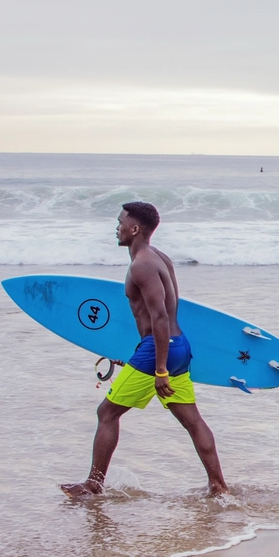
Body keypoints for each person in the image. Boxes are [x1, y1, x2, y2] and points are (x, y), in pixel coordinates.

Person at [62, 201, 228, 498]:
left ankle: (93, 485)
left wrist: (159, 368)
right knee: (192, 421)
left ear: (135, 228)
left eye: (121, 222)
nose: (117, 227)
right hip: (176, 346)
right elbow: (159, 317)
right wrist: (139, 353)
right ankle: (219, 486)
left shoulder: (142, 265)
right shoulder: (159, 258)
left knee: (107, 413)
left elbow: (159, 317)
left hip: (158, 352)